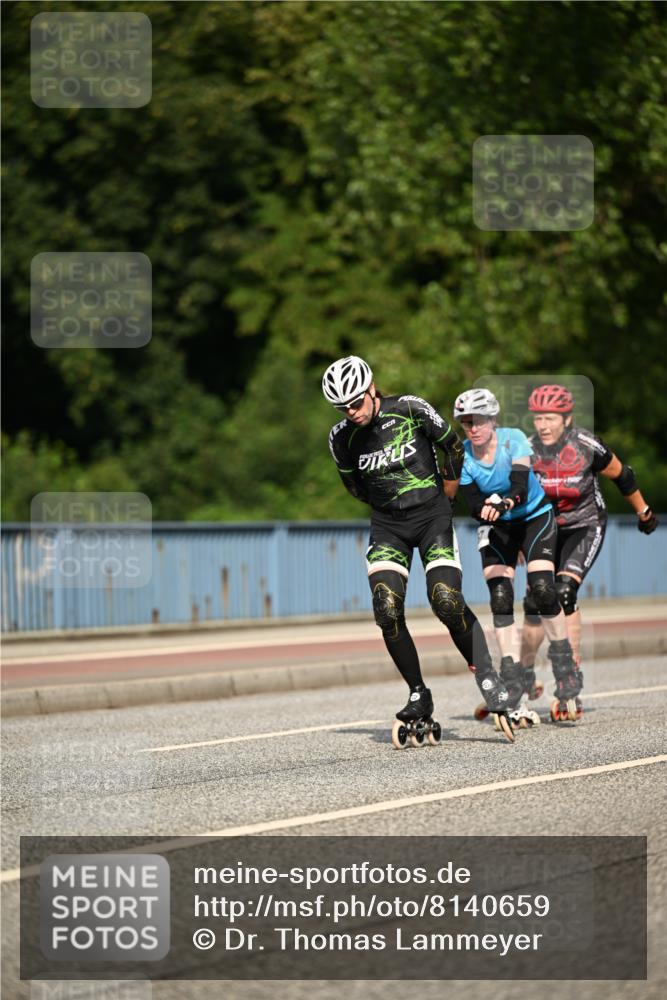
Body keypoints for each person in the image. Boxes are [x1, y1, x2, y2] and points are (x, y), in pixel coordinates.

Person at [322, 355, 515, 744]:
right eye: (342, 407)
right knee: (386, 607)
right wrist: (388, 504)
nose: (351, 411)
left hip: (431, 518)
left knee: (445, 599)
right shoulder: (341, 438)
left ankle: (488, 676)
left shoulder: (410, 408)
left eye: (356, 401)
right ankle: (418, 694)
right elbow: (353, 486)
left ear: (372, 387)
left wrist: (447, 490)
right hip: (388, 525)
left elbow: (452, 447)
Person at [453, 387, 583, 725]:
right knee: (500, 595)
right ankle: (510, 676)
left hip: (533, 516)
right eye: (466, 423)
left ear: (492, 419)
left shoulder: (513, 440)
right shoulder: (463, 456)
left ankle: (564, 664)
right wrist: (485, 509)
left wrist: (505, 503)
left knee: (542, 589)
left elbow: (520, 485)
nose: (473, 429)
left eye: (479, 421)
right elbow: (469, 501)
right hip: (498, 526)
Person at [521, 383, 659, 674]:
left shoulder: (586, 445)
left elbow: (624, 476)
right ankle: (525, 671)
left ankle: (570, 669)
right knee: (535, 602)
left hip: (585, 524)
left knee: (564, 591)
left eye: (551, 418)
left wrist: (643, 512)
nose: (543, 425)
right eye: (538, 418)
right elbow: (521, 497)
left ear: (567, 419)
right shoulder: (528, 450)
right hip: (546, 529)